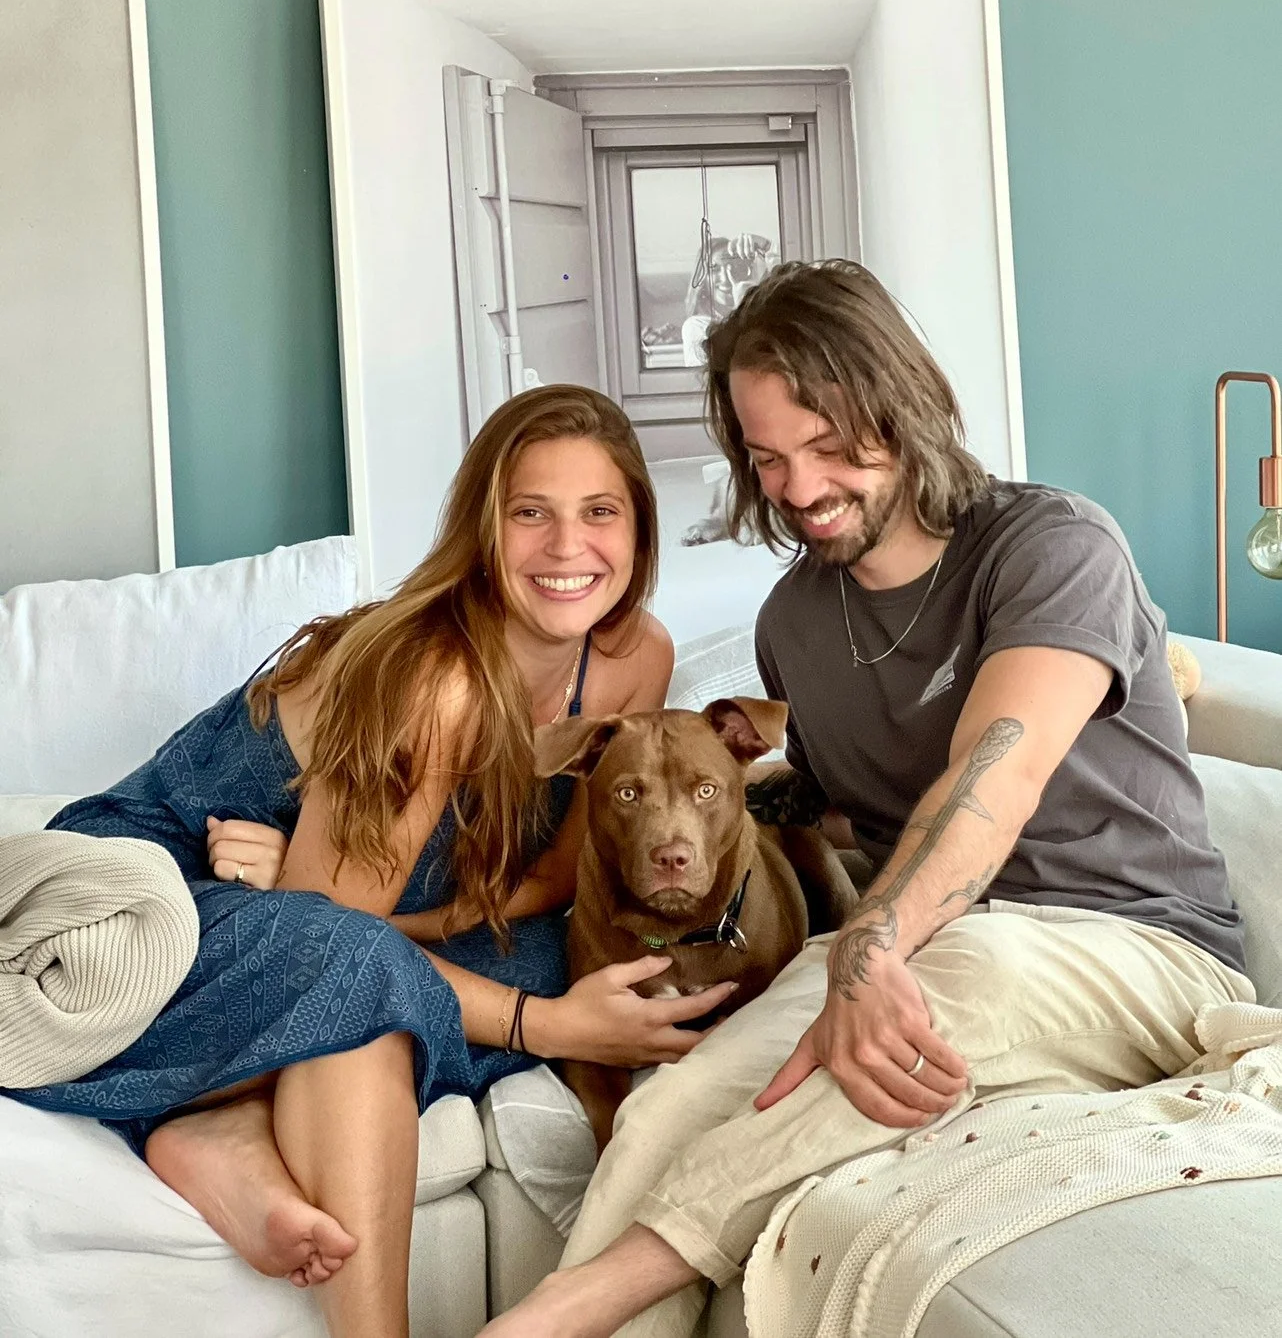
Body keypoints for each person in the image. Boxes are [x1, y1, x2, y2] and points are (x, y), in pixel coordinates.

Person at [482, 261, 1253, 1338]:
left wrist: (868, 944)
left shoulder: (1051, 546)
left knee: (946, 983)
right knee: (677, 1101)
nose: (800, 488)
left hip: (1131, 943)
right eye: (768, 458)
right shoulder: (793, 624)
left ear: (905, 404)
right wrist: (712, 804)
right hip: (929, 944)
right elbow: (839, 804)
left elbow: (993, 775)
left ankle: (549, 1318)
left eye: (832, 445)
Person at [4, 385, 737, 1338]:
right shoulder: (435, 682)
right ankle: (211, 1136)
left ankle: (213, 1116)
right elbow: (335, 942)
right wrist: (550, 1026)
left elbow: (554, 879)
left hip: (313, 917)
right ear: (484, 530)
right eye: (531, 513)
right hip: (148, 904)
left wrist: (357, 909)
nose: (569, 547)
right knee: (364, 982)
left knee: (539, 952)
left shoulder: (633, 657)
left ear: (638, 530)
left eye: (600, 512)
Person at [678, 231, 777, 368]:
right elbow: (729, 372)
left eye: (733, 267)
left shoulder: (759, 313)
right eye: (715, 269)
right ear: (703, 279)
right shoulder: (696, 326)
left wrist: (767, 246)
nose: (725, 278)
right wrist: (743, 308)